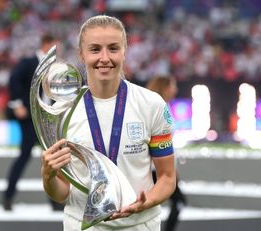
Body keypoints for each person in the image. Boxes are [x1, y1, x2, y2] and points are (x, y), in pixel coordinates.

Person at [40, 15, 176, 231]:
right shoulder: (62, 112)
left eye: (113, 48)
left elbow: (167, 177)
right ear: (81, 54)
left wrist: (145, 202)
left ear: (124, 51)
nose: (105, 58)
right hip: (83, 225)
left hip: (140, 225)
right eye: (95, 49)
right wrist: (48, 177)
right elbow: (61, 192)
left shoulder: (151, 104)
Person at [2, 34, 63, 211]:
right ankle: (8, 196)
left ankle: (55, 201)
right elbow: (14, 79)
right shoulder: (29, 62)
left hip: (48, 119)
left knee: (52, 160)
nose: (57, 50)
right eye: (54, 46)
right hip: (30, 118)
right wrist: (17, 104)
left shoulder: (56, 66)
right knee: (25, 156)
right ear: (46, 44)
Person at [146, 76, 187, 231]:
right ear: (165, 87)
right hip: (155, 168)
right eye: (173, 85)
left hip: (159, 167)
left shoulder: (162, 107)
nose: (175, 89)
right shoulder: (156, 109)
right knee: (178, 202)